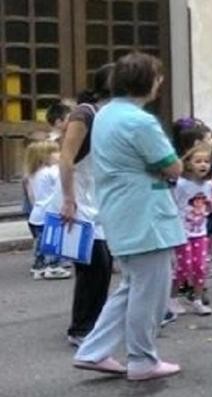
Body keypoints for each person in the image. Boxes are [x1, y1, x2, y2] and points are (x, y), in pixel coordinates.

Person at [73, 52, 184, 381]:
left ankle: (92, 350)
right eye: (158, 77)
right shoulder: (140, 120)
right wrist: (164, 168)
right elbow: (173, 165)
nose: (160, 83)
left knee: (132, 287)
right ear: (147, 82)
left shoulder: (106, 114)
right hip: (145, 214)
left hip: (120, 210)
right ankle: (142, 359)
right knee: (150, 292)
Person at [56, 64, 115, 346]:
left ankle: (92, 323)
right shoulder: (85, 113)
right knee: (94, 266)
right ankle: (80, 329)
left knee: (102, 266)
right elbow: (66, 159)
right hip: (78, 199)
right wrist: (68, 199)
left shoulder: (110, 114)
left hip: (96, 200)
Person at [168, 144, 212, 315]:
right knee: (183, 267)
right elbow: (171, 202)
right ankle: (172, 298)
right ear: (188, 164)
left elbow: (207, 205)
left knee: (201, 266)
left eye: (207, 161)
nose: (203, 165)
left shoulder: (208, 185)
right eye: (198, 161)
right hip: (182, 232)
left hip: (200, 232)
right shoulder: (181, 184)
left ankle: (197, 299)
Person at [25, 140, 69, 280]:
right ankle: (54, 266)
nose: (59, 154)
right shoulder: (53, 171)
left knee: (40, 243)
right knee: (54, 241)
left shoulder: (34, 173)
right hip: (51, 212)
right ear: (44, 156)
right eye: (55, 152)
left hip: (37, 213)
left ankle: (39, 266)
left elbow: (31, 196)